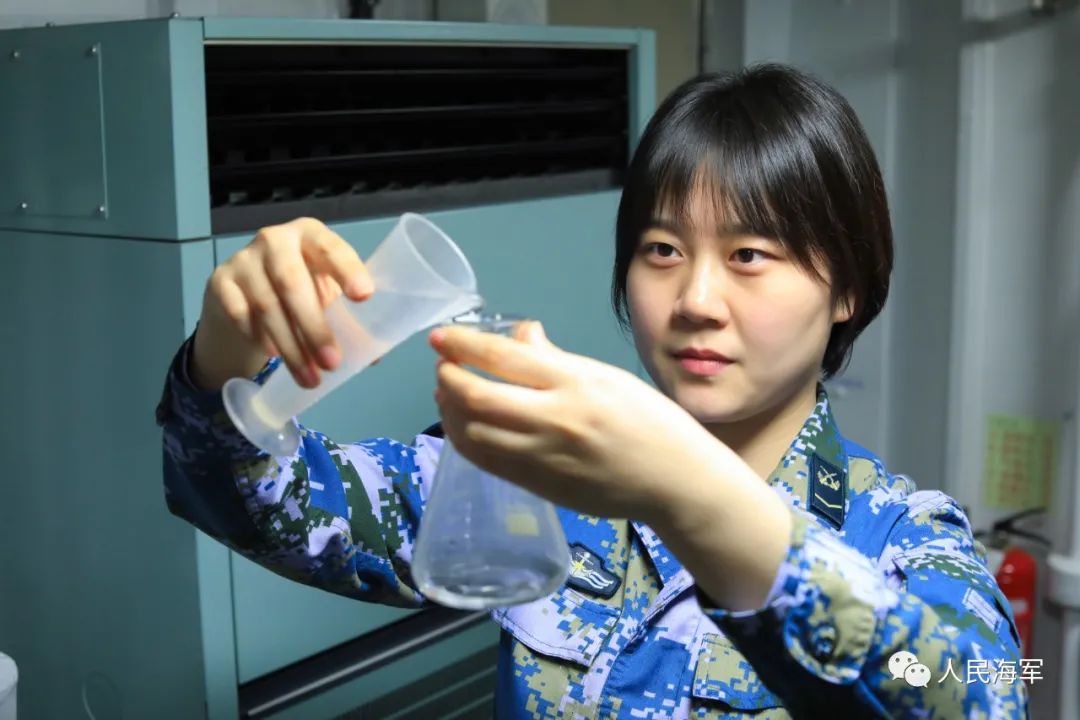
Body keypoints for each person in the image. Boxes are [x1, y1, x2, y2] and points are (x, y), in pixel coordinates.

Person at [156, 64, 1027, 718]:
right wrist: (230, 348)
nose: (695, 299)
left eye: (750, 255)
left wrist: (689, 492)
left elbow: (976, 694)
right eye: (662, 250)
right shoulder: (535, 476)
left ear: (847, 291)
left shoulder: (900, 537)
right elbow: (254, 502)